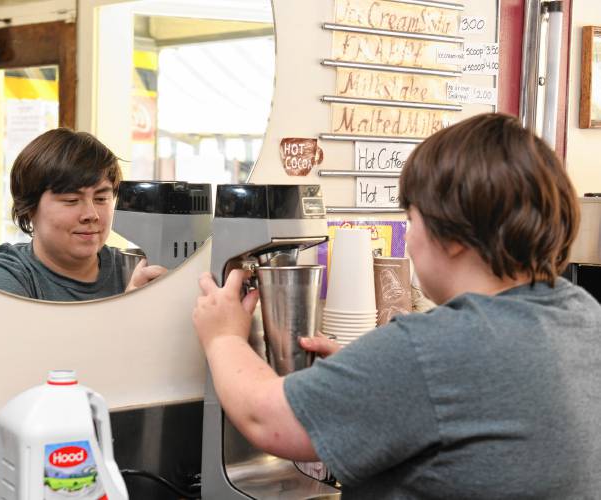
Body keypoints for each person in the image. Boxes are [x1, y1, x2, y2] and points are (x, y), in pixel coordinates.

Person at [192, 113, 601, 498]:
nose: (409, 235)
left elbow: (267, 421)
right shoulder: (584, 316)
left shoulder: (432, 351)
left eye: (411, 218)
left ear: (454, 235)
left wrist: (223, 335)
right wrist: (370, 372)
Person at [0, 128, 166, 301]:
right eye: (71, 200)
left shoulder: (134, 269)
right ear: (29, 207)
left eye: (101, 199)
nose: (91, 214)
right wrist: (133, 310)